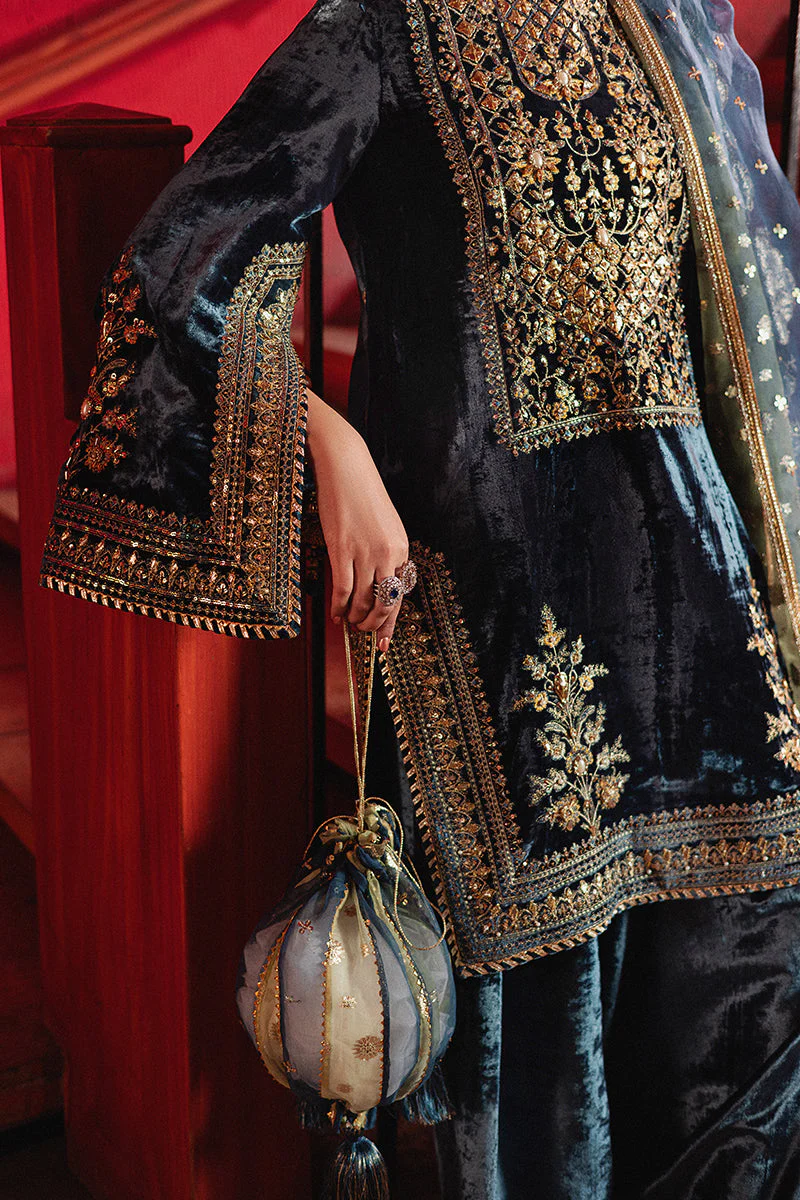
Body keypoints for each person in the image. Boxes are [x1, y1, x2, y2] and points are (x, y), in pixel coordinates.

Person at [40, 0, 800, 1194]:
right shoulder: (380, 31)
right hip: (502, 627)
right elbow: (171, 267)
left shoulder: (662, 25)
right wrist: (323, 439)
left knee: (749, 1033)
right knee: (544, 1078)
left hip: (708, 629)